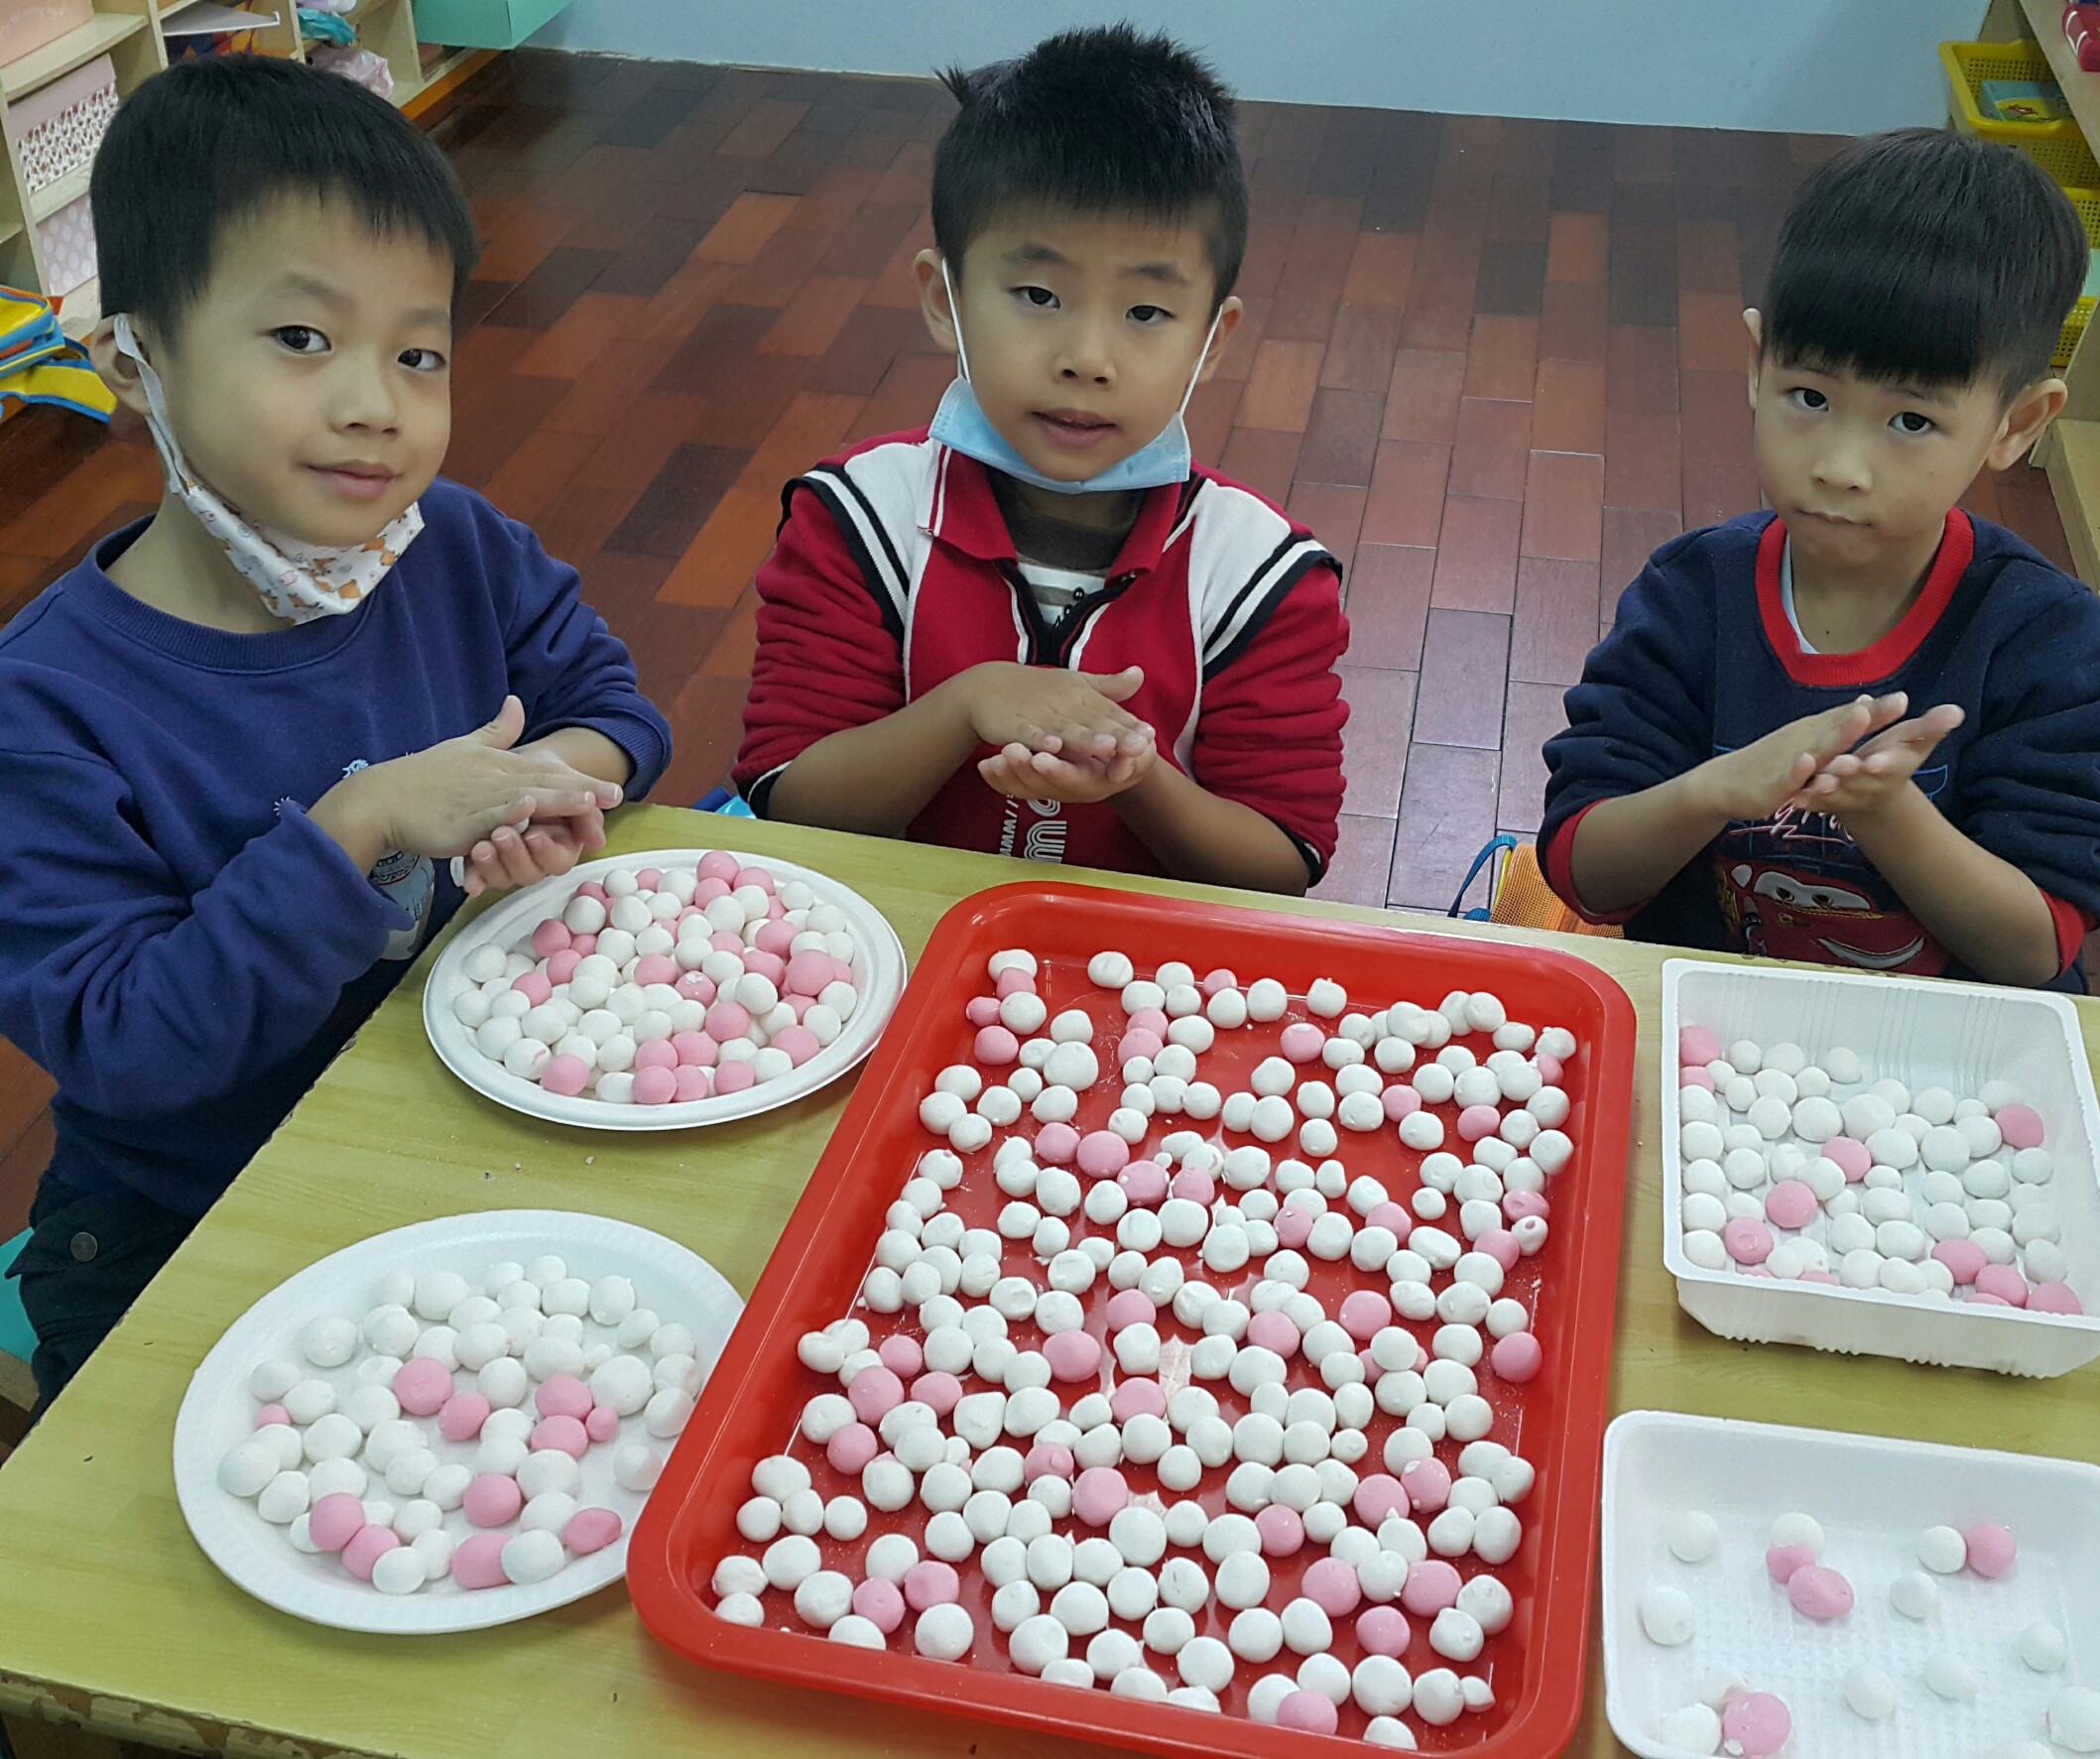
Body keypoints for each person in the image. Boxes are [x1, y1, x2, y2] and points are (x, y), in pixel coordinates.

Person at [0, 57, 672, 1411]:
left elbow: (615, 710)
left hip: (452, 1115)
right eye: (303, 341)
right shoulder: (42, 707)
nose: (377, 402)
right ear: (136, 359)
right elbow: (131, 1038)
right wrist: (362, 823)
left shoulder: (456, 547)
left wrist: (547, 782)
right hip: (182, 1209)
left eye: (417, 353)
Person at [733, 25, 1348, 894]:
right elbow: (789, 795)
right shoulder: (857, 518)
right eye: (1037, 294)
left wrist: (1138, 781)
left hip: (1146, 989)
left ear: (1214, 338)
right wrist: (964, 706)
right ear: (941, 299)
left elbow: (1284, 860)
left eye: (1146, 313)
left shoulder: (1260, 574)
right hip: (889, 948)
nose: (1086, 357)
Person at [1540, 129, 2100, 990]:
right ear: (1758, 365)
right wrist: (1716, 787)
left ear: (2017, 424)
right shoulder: (1691, 596)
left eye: (1910, 421)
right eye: (1811, 396)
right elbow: (1582, 871)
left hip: (1939, 1073)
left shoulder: (2050, 643)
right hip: (1704, 1038)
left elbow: (2034, 948)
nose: (1838, 465)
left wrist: (1886, 810)